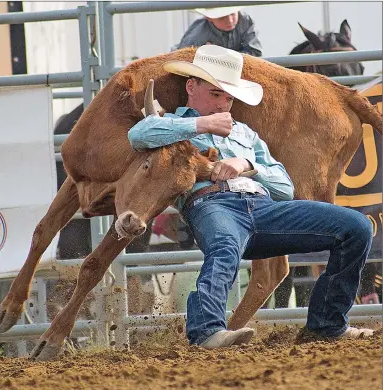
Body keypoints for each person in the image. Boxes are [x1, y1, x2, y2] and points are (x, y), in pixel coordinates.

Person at [128, 45, 375, 349]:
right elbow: (138, 135)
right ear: (191, 87)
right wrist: (202, 124)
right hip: (211, 203)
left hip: (263, 206)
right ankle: (206, 331)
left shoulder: (245, 133)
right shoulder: (170, 126)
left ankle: (327, 324)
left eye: (228, 97)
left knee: (357, 228)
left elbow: (284, 187)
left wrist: (247, 165)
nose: (223, 104)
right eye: (216, 94)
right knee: (225, 243)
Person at [172, 6, 262, 57]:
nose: (230, 21)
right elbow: (181, 59)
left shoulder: (245, 20)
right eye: (222, 17)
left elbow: (256, 52)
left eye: (233, 13)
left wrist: (220, 55)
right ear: (209, 18)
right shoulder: (197, 37)